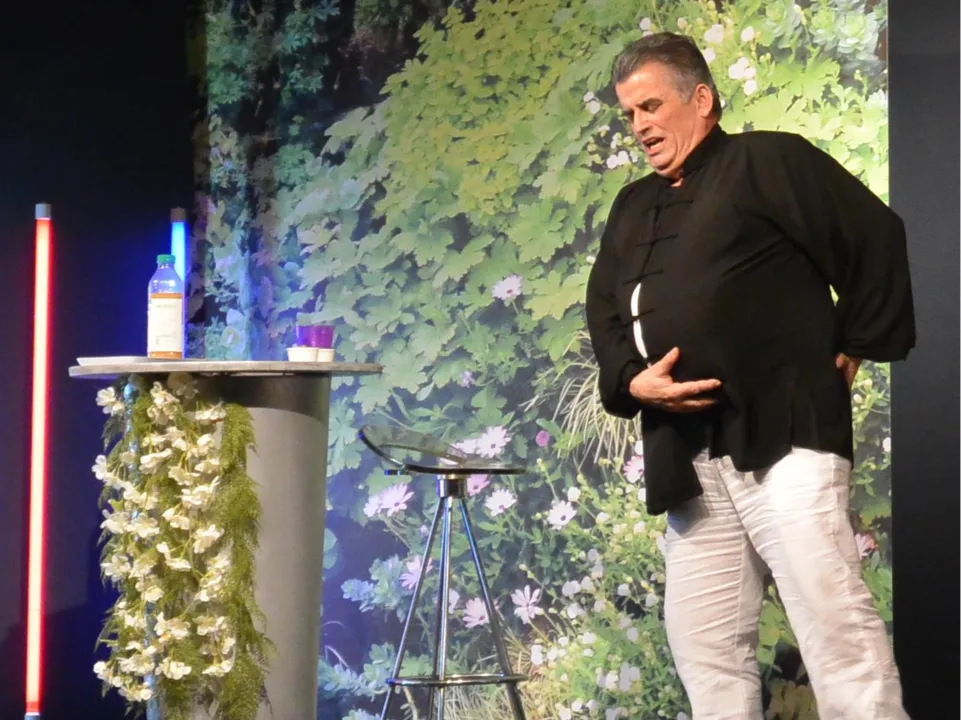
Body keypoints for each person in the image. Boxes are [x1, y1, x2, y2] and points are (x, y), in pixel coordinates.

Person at [584, 32, 915, 720]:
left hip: (782, 431)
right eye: (630, 113)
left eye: (651, 106)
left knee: (830, 617)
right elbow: (604, 312)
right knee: (702, 641)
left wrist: (853, 343)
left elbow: (873, 235)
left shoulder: (767, 161)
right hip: (686, 453)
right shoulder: (632, 205)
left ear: (701, 99)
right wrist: (633, 382)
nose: (640, 125)